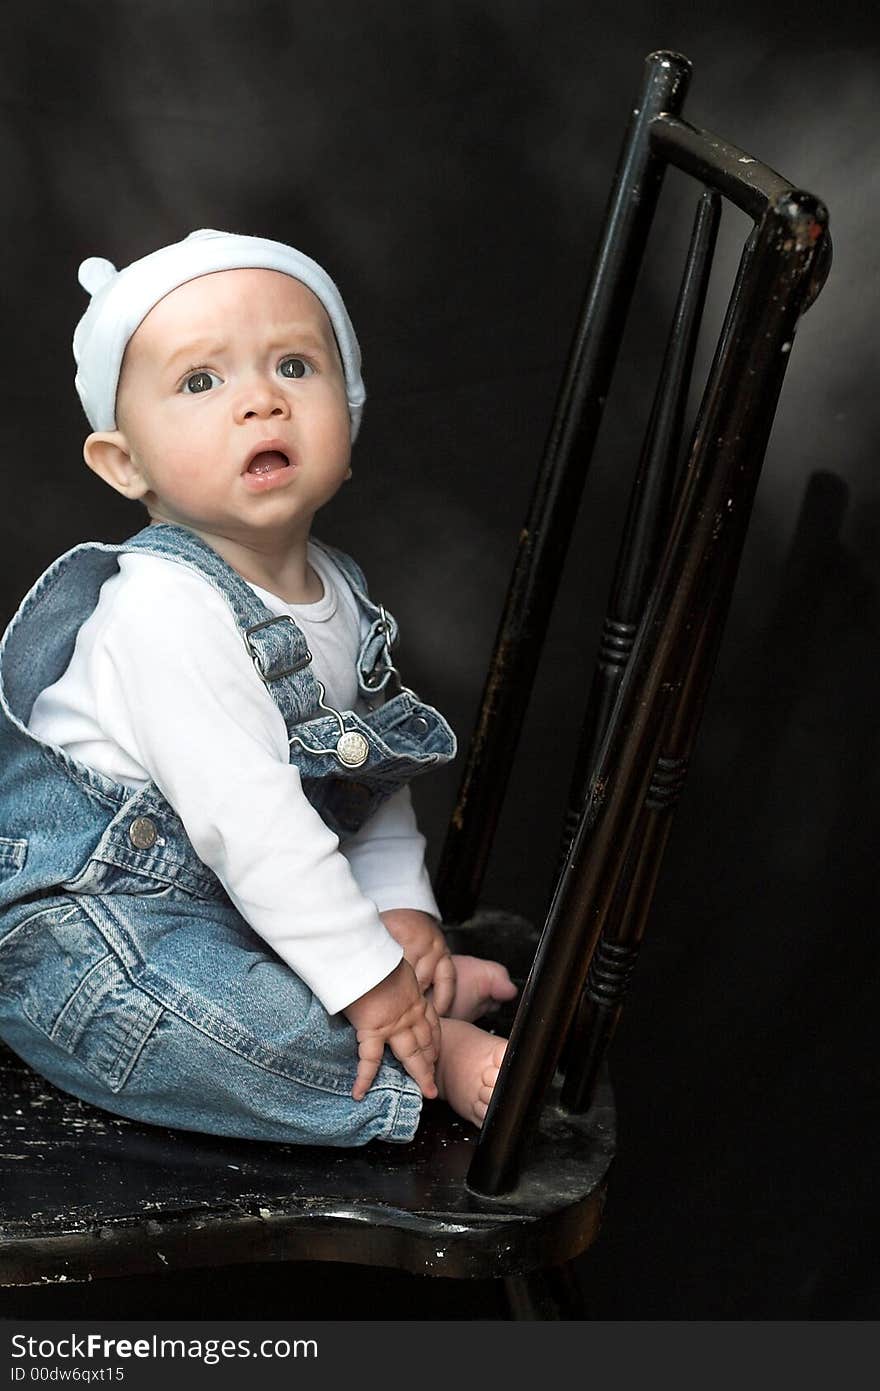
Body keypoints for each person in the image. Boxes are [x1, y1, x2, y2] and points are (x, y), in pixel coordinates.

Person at [0, 229, 516, 1147]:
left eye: (294, 365)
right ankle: (432, 1046)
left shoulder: (339, 591)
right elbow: (256, 826)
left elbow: (364, 781)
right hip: (98, 924)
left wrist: (401, 909)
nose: (261, 401)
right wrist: (370, 977)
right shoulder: (162, 613)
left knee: (309, 943)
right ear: (127, 465)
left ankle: (404, 987)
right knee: (185, 1028)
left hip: (248, 896)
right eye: (202, 382)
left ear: (347, 427)